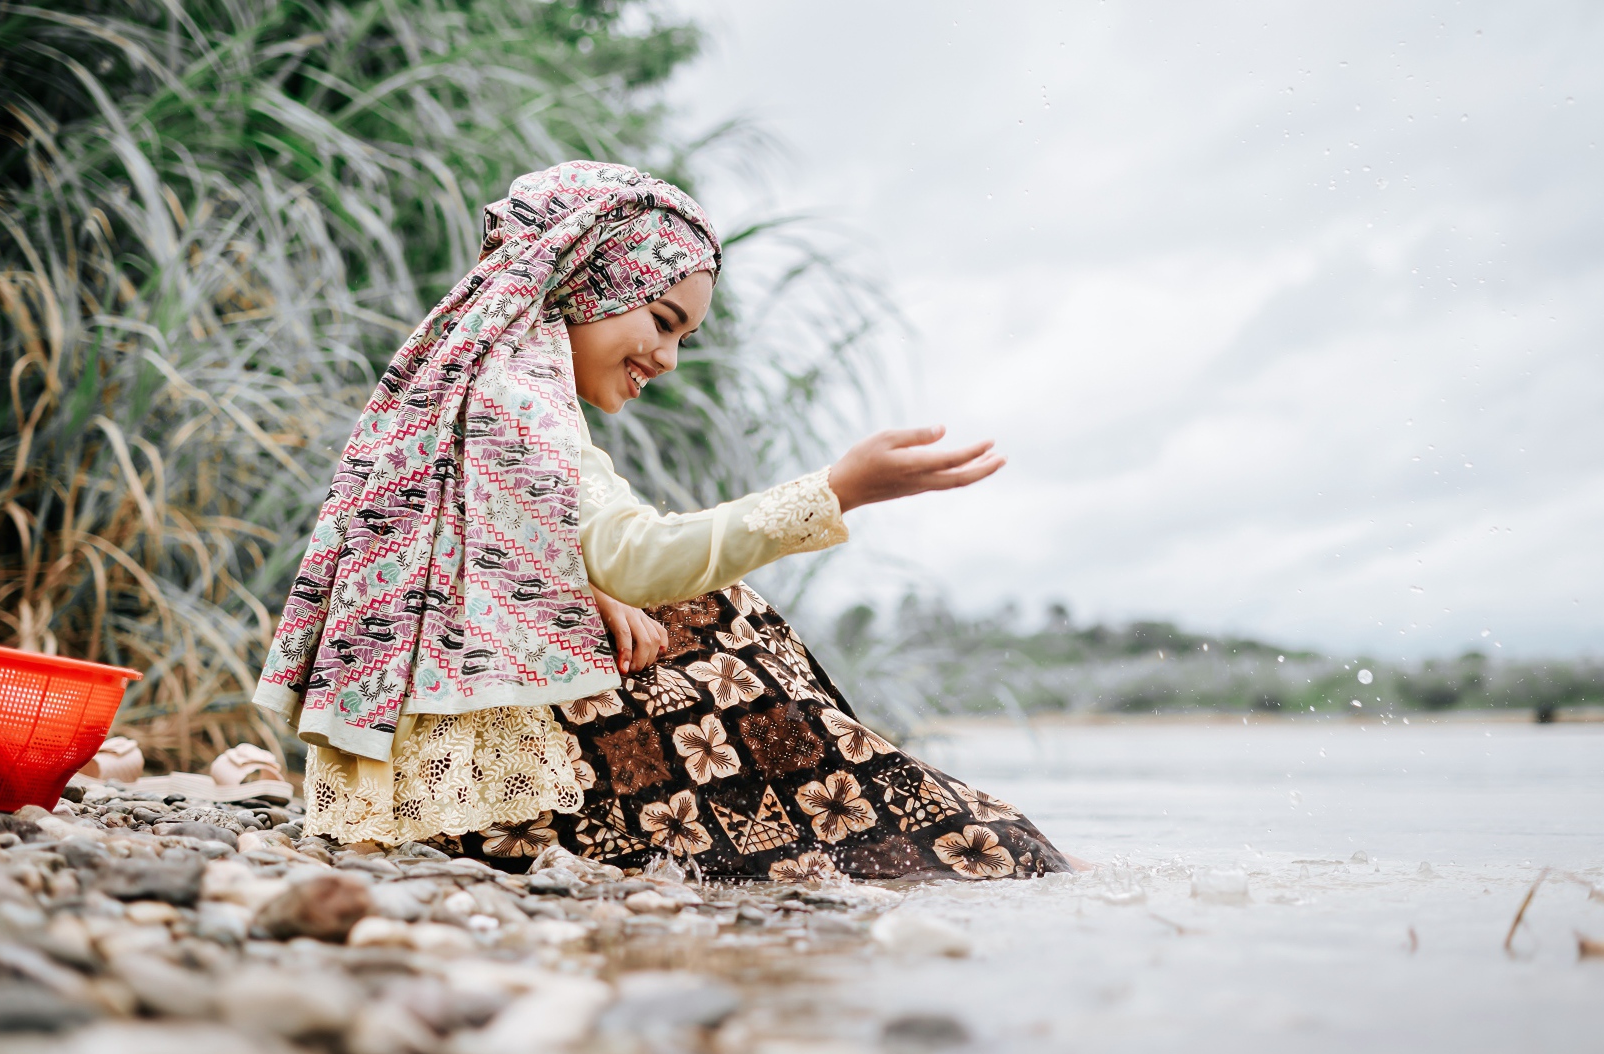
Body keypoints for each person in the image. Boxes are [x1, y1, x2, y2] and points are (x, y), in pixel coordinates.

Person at [254, 162, 1074, 881]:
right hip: (479, 808)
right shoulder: (520, 405)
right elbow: (641, 560)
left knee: (677, 613)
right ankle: (934, 841)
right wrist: (837, 489)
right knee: (721, 618)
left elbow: (476, 568)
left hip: (409, 788)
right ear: (590, 282)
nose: (669, 360)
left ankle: (923, 832)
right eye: (663, 322)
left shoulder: (466, 388)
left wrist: (577, 589)